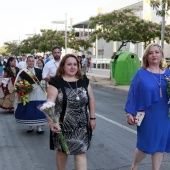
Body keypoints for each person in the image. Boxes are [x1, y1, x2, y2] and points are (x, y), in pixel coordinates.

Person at [125, 44, 170, 170]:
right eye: (151, 53)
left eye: (157, 52)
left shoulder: (168, 74)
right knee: (145, 147)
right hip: (148, 115)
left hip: (165, 114)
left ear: (161, 55)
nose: (154, 55)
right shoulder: (141, 74)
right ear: (146, 56)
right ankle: (135, 165)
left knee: (160, 146)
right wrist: (129, 112)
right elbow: (133, 94)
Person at [47, 54, 96, 170]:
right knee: (63, 152)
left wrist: (92, 118)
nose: (72, 67)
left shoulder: (84, 80)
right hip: (62, 125)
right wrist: (51, 122)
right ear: (63, 66)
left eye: (75, 64)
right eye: (69, 64)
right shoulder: (56, 82)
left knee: (81, 152)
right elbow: (49, 104)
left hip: (82, 125)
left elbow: (91, 99)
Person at [14, 56, 47, 134]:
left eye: (32, 61)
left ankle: (39, 127)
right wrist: (23, 90)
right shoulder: (22, 72)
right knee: (29, 109)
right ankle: (30, 126)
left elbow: (44, 81)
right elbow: (18, 83)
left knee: (39, 108)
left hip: (39, 92)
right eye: (29, 61)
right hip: (29, 93)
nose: (31, 62)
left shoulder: (40, 70)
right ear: (27, 62)